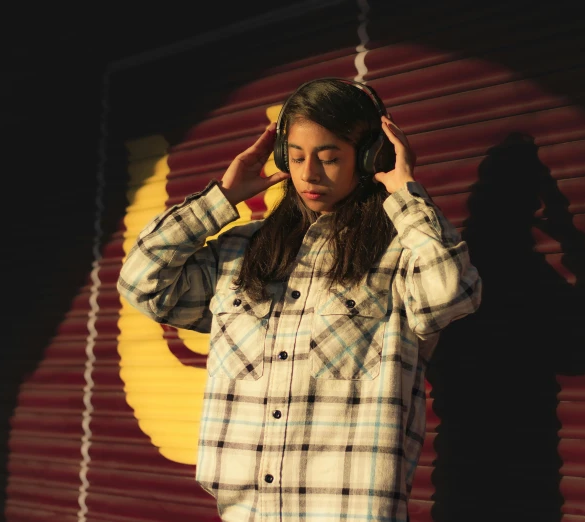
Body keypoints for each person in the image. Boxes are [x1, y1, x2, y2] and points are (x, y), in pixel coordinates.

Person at [118, 77, 482, 522]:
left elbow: (453, 294)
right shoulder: (241, 253)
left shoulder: (402, 253)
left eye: (330, 158)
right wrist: (222, 197)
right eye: (295, 157)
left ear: (371, 159)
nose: (308, 174)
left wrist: (405, 193)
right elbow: (142, 283)